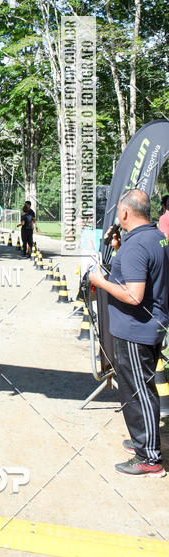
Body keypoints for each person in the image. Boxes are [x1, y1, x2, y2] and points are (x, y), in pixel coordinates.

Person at [89, 189, 169, 477]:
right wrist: (120, 248)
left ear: (124, 212)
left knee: (138, 391)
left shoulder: (138, 245)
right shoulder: (154, 236)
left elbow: (134, 296)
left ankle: (149, 456)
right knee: (139, 389)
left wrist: (100, 280)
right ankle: (142, 441)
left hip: (136, 331)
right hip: (146, 327)